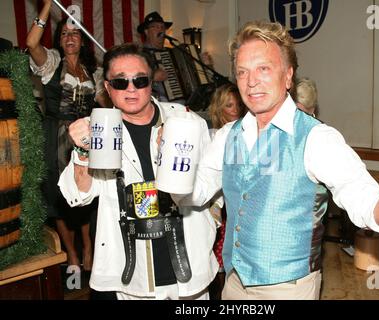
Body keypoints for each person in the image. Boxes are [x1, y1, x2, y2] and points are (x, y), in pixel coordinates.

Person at [179, 20, 379, 300]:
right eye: (242, 72)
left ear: (288, 76)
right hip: (234, 283)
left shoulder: (316, 138)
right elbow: (196, 191)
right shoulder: (227, 136)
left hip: (289, 290)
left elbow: (360, 193)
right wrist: (173, 166)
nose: (251, 81)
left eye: (263, 69)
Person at [58, 43, 218, 300]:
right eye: (120, 82)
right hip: (133, 278)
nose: (131, 88)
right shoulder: (101, 129)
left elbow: (215, 185)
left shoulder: (186, 122)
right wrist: (83, 151)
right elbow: (78, 195)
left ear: (151, 82)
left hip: (189, 270)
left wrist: (211, 223)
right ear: (108, 88)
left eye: (139, 80)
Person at [26, 0, 109, 271]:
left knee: (86, 189)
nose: (69, 37)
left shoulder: (93, 72)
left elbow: (105, 105)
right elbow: (31, 43)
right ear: (59, 41)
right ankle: (71, 252)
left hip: (86, 134)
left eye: (74, 33)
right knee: (58, 193)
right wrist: (47, 6)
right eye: (64, 34)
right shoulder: (51, 63)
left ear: (83, 40)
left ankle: (87, 246)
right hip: (56, 137)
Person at [206, 83, 246, 300]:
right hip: (216, 207)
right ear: (219, 110)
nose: (236, 109)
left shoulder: (248, 134)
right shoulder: (212, 137)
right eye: (229, 105)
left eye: (238, 104)